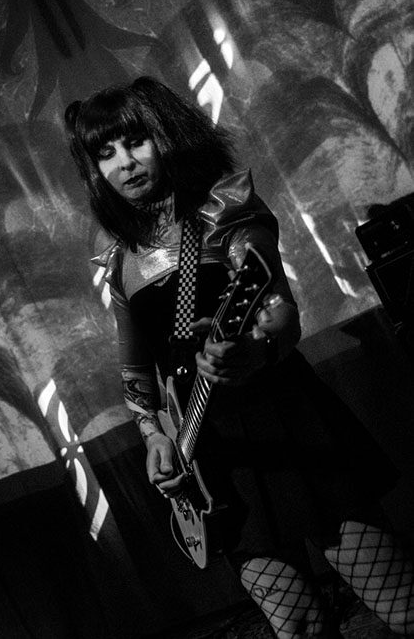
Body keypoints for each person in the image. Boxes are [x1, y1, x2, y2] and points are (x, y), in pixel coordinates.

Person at [65, 76, 414, 638]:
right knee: (297, 628)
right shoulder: (123, 264)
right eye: (105, 154)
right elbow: (135, 370)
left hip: (290, 424)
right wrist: (154, 436)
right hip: (214, 463)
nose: (124, 163)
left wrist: (254, 351)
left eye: (135, 142)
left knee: (399, 606)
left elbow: (280, 310)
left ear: (166, 137)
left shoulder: (224, 213)